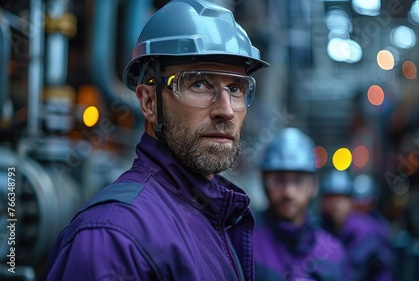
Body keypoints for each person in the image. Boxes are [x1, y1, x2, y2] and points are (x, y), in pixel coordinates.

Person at [44, 0, 268, 280]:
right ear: (149, 102)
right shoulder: (111, 238)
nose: (225, 109)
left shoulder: (214, 216)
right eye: (198, 83)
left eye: (236, 88)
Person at [253, 127, 351, 280]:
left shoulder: (333, 253)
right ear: (264, 182)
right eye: (279, 179)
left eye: (298, 181)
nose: (288, 192)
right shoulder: (244, 242)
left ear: (314, 185)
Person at [320, 170, 392, 281]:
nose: (336, 203)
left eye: (341, 197)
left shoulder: (364, 231)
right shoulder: (317, 229)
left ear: (351, 201)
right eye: (331, 197)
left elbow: (375, 271)